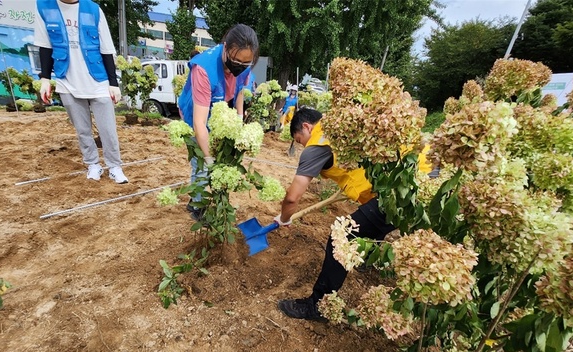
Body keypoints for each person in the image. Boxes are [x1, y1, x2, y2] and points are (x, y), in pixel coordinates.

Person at [274, 107, 432, 321]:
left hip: (402, 189)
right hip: (427, 175)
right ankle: (366, 257)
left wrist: (284, 218)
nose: (302, 145)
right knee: (370, 220)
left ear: (306, 126)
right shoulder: (344, 124)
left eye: (299, 140)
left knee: (341, 237)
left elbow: (292, 198)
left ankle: (319, 306)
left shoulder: (317, 145)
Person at [34, 0, 128, 184]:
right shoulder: (44, 7)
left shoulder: (93, 10)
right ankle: (93, 164)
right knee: (82, 129)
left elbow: (106, 48)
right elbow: (45, 46)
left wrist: (113, 82)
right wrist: (45, 78)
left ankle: (114, 166)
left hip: (97, 79)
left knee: (108, 129)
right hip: (67, 79)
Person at [177, 24, 259, 220]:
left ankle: (211, 199)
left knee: (220, 153)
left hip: (217, 108)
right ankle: (196, 204)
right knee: (202, 162)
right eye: (236, 61)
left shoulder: (244, 65)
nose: (239, 65)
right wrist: (210, 160)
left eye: (245, 63)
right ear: (225, 48)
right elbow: (199, 122)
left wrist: (239, 120)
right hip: (194, 111)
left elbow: (239, 90)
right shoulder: (203, 69)